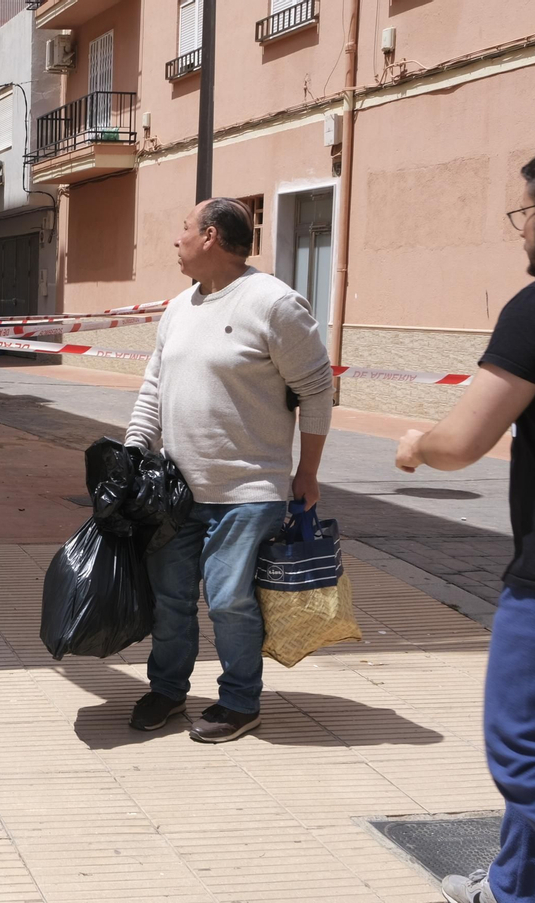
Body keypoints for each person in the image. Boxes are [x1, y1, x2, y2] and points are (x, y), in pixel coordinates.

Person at [395, 142, 535, 903]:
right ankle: (518, 889)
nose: (521, 230)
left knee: (529, 758)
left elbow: (463, 442)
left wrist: (417, 443)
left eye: (523, 214)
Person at [124, 197, 333, 743]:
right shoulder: (178, 308)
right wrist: (132, 448)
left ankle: (240, 701)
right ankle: (168, 690)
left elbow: (316, 391)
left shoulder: (274, 303)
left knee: (228, 600)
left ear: (211, 236)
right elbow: (154, 386)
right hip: (176, 491)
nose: (178, 239)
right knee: (170, 598)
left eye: (184, 228)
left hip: (247, 489)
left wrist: (307, 473)